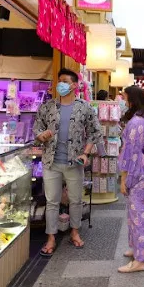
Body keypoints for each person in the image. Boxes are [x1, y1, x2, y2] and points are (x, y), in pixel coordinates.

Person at [33, 68, 104, 256]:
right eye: (59, 81)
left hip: (74, 162)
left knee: (75, 200)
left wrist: (86, 153)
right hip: (51, 162)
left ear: (74, 85)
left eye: (64, 81)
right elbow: (37, 129)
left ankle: (75, 232)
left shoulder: (84, 107)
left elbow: (95, 132)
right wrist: (42, 135)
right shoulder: (48, 107)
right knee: (52, 201)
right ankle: (51, 237)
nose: (60, 84)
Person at [117, 85, 144, 273]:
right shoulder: (143, 119)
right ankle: (137, 247)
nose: (124, 101)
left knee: (139, 213)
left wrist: (125, 179)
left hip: (139, 168)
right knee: (137, 211)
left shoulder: (135, 123)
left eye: (125, 98)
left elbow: (130, 153)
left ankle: (140, 259)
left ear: (131, 100)